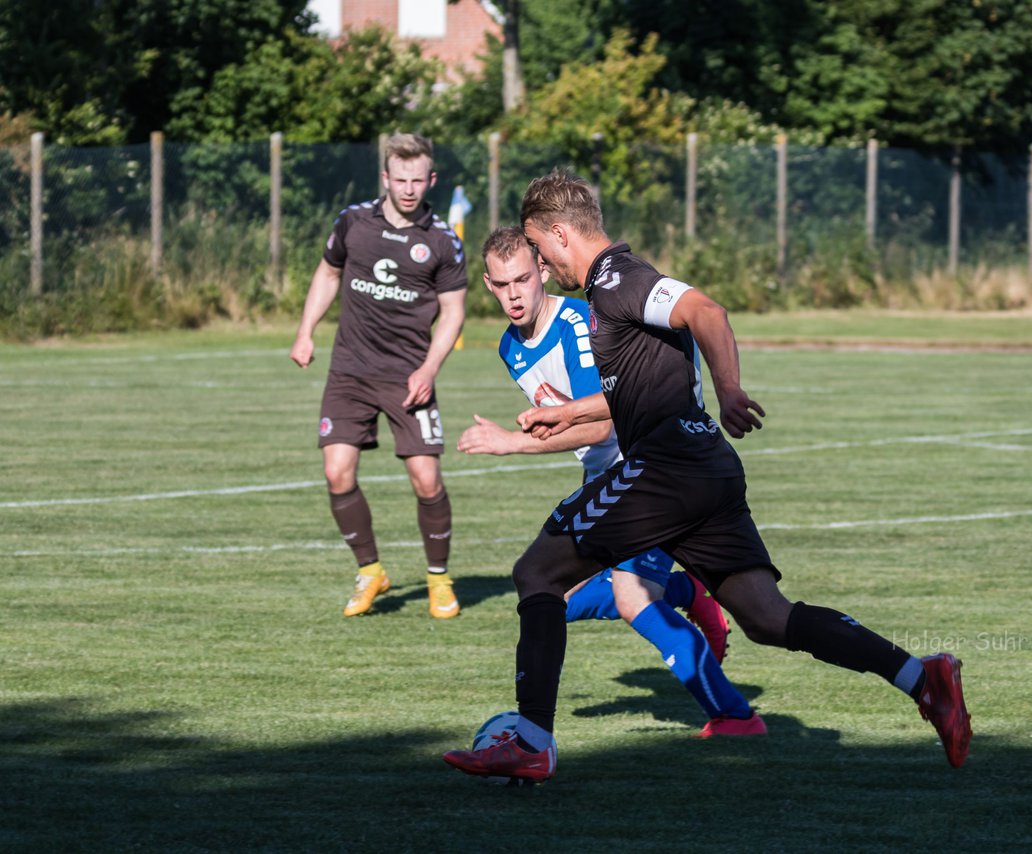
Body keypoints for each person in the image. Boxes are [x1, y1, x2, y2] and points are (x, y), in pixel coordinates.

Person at [443, 170, 971, 784]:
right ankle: (920, 677)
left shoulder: (615, 280)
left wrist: (730, 390)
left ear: (559, 234)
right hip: (706, 466)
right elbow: (636, 387)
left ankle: (531, 738)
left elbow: (706, 311)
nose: (541, 262)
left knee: (538, 571)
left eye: (538, 247)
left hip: (667, 467)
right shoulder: (609, 293)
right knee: (767, 617)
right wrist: (568, 410)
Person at [457, 226, 762, 737]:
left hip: (645, 467)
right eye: (502, 284)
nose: (514, 294)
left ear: (544, 273)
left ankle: (734, 717)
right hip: (603, 473)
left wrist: (511, 442)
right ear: (488, 285)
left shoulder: (577, 324)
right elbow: (575, 430)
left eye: (524, 280)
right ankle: (690, 590)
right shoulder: (511, 348)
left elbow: (606, 422)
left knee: (632, 598)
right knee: (556, 597)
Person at [290, 132, 467, 619]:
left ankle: (439, 579)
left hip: (409, 376)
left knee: (426, 480)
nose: (409, 189)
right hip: (349, 370)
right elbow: (328, 274)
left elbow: (453, 312)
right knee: (336, 472)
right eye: (400, 179)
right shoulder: (353, 222)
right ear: (385, 178)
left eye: (418, 180)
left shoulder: (442, 241)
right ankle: (371, 572)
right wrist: (306, 332)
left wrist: (430, 368)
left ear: (430, 180)